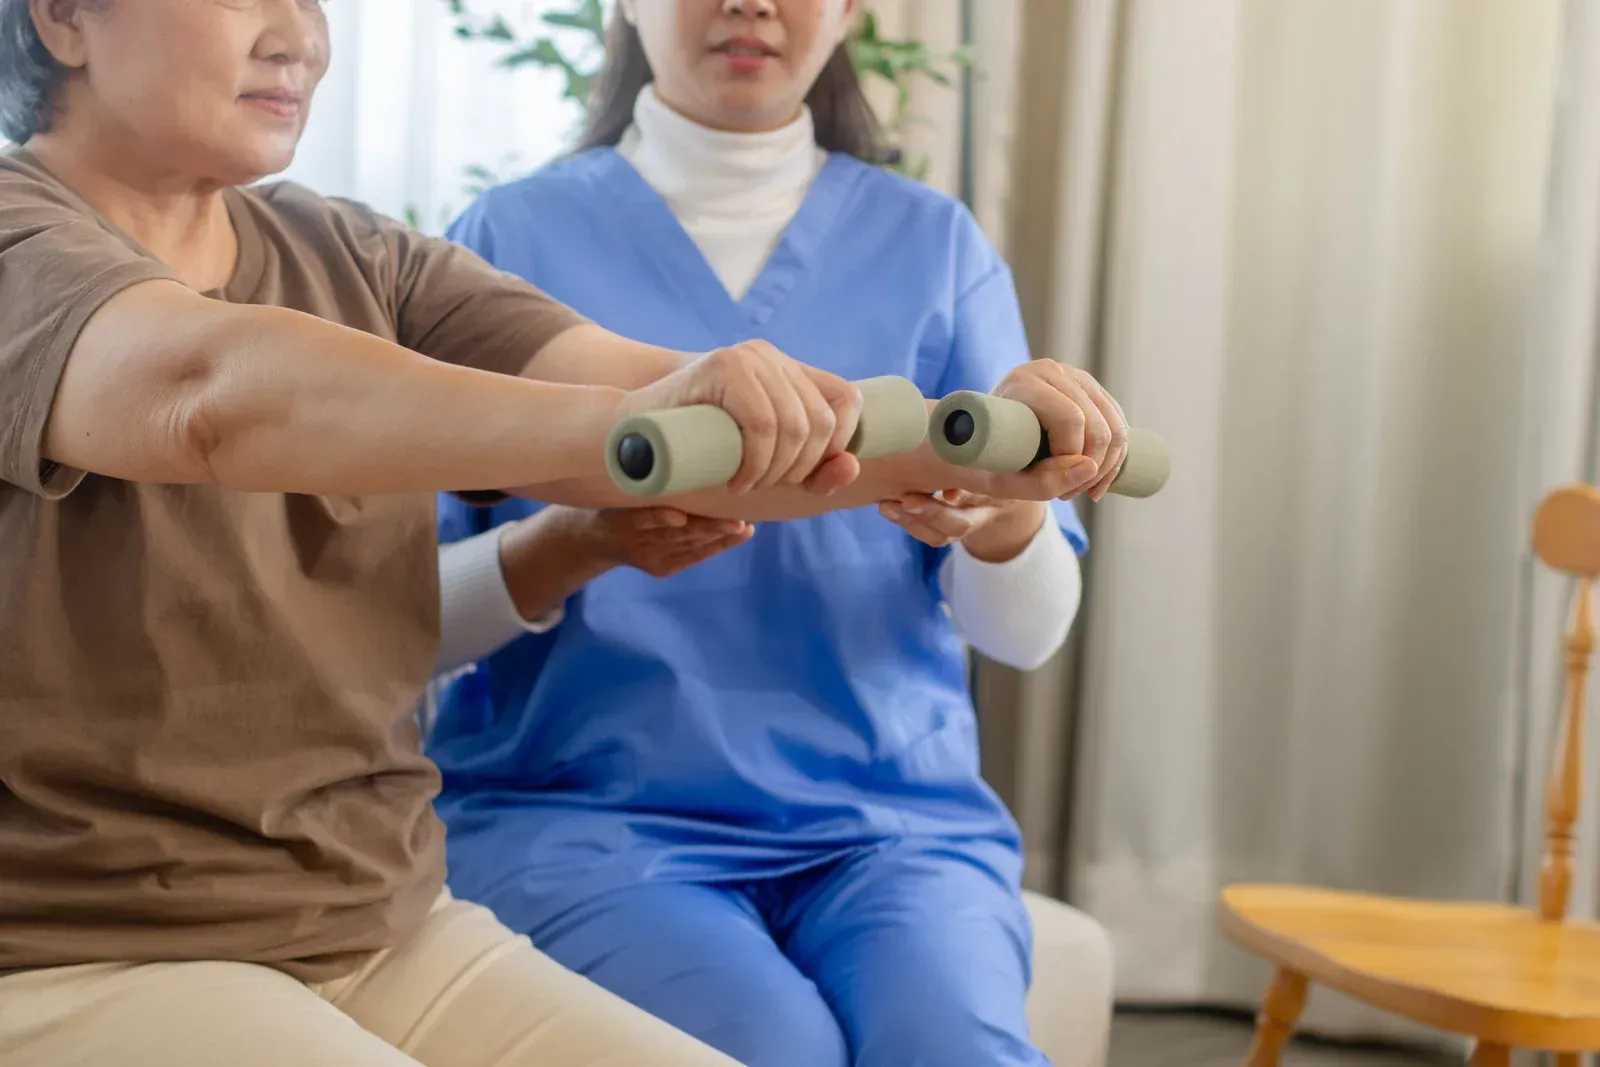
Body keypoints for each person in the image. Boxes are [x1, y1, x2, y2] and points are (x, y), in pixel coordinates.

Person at [0, 2, 1118, 1065]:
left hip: (372, 919)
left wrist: (998, 455)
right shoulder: (19, 239)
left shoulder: (361, 257)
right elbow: (212, 391)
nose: (298, 39)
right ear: (62, 16)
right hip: (96, 939)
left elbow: (696, 417)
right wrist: (639, 430)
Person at [427, 2, 1128, 1065]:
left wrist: (1012, 509)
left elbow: (1025, 634)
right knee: (774, 1046)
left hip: (894, 829)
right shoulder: (504, 244)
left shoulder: (934, 245)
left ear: (849, 11)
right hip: (586, 819)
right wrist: (579, 538)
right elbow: (397, 616)